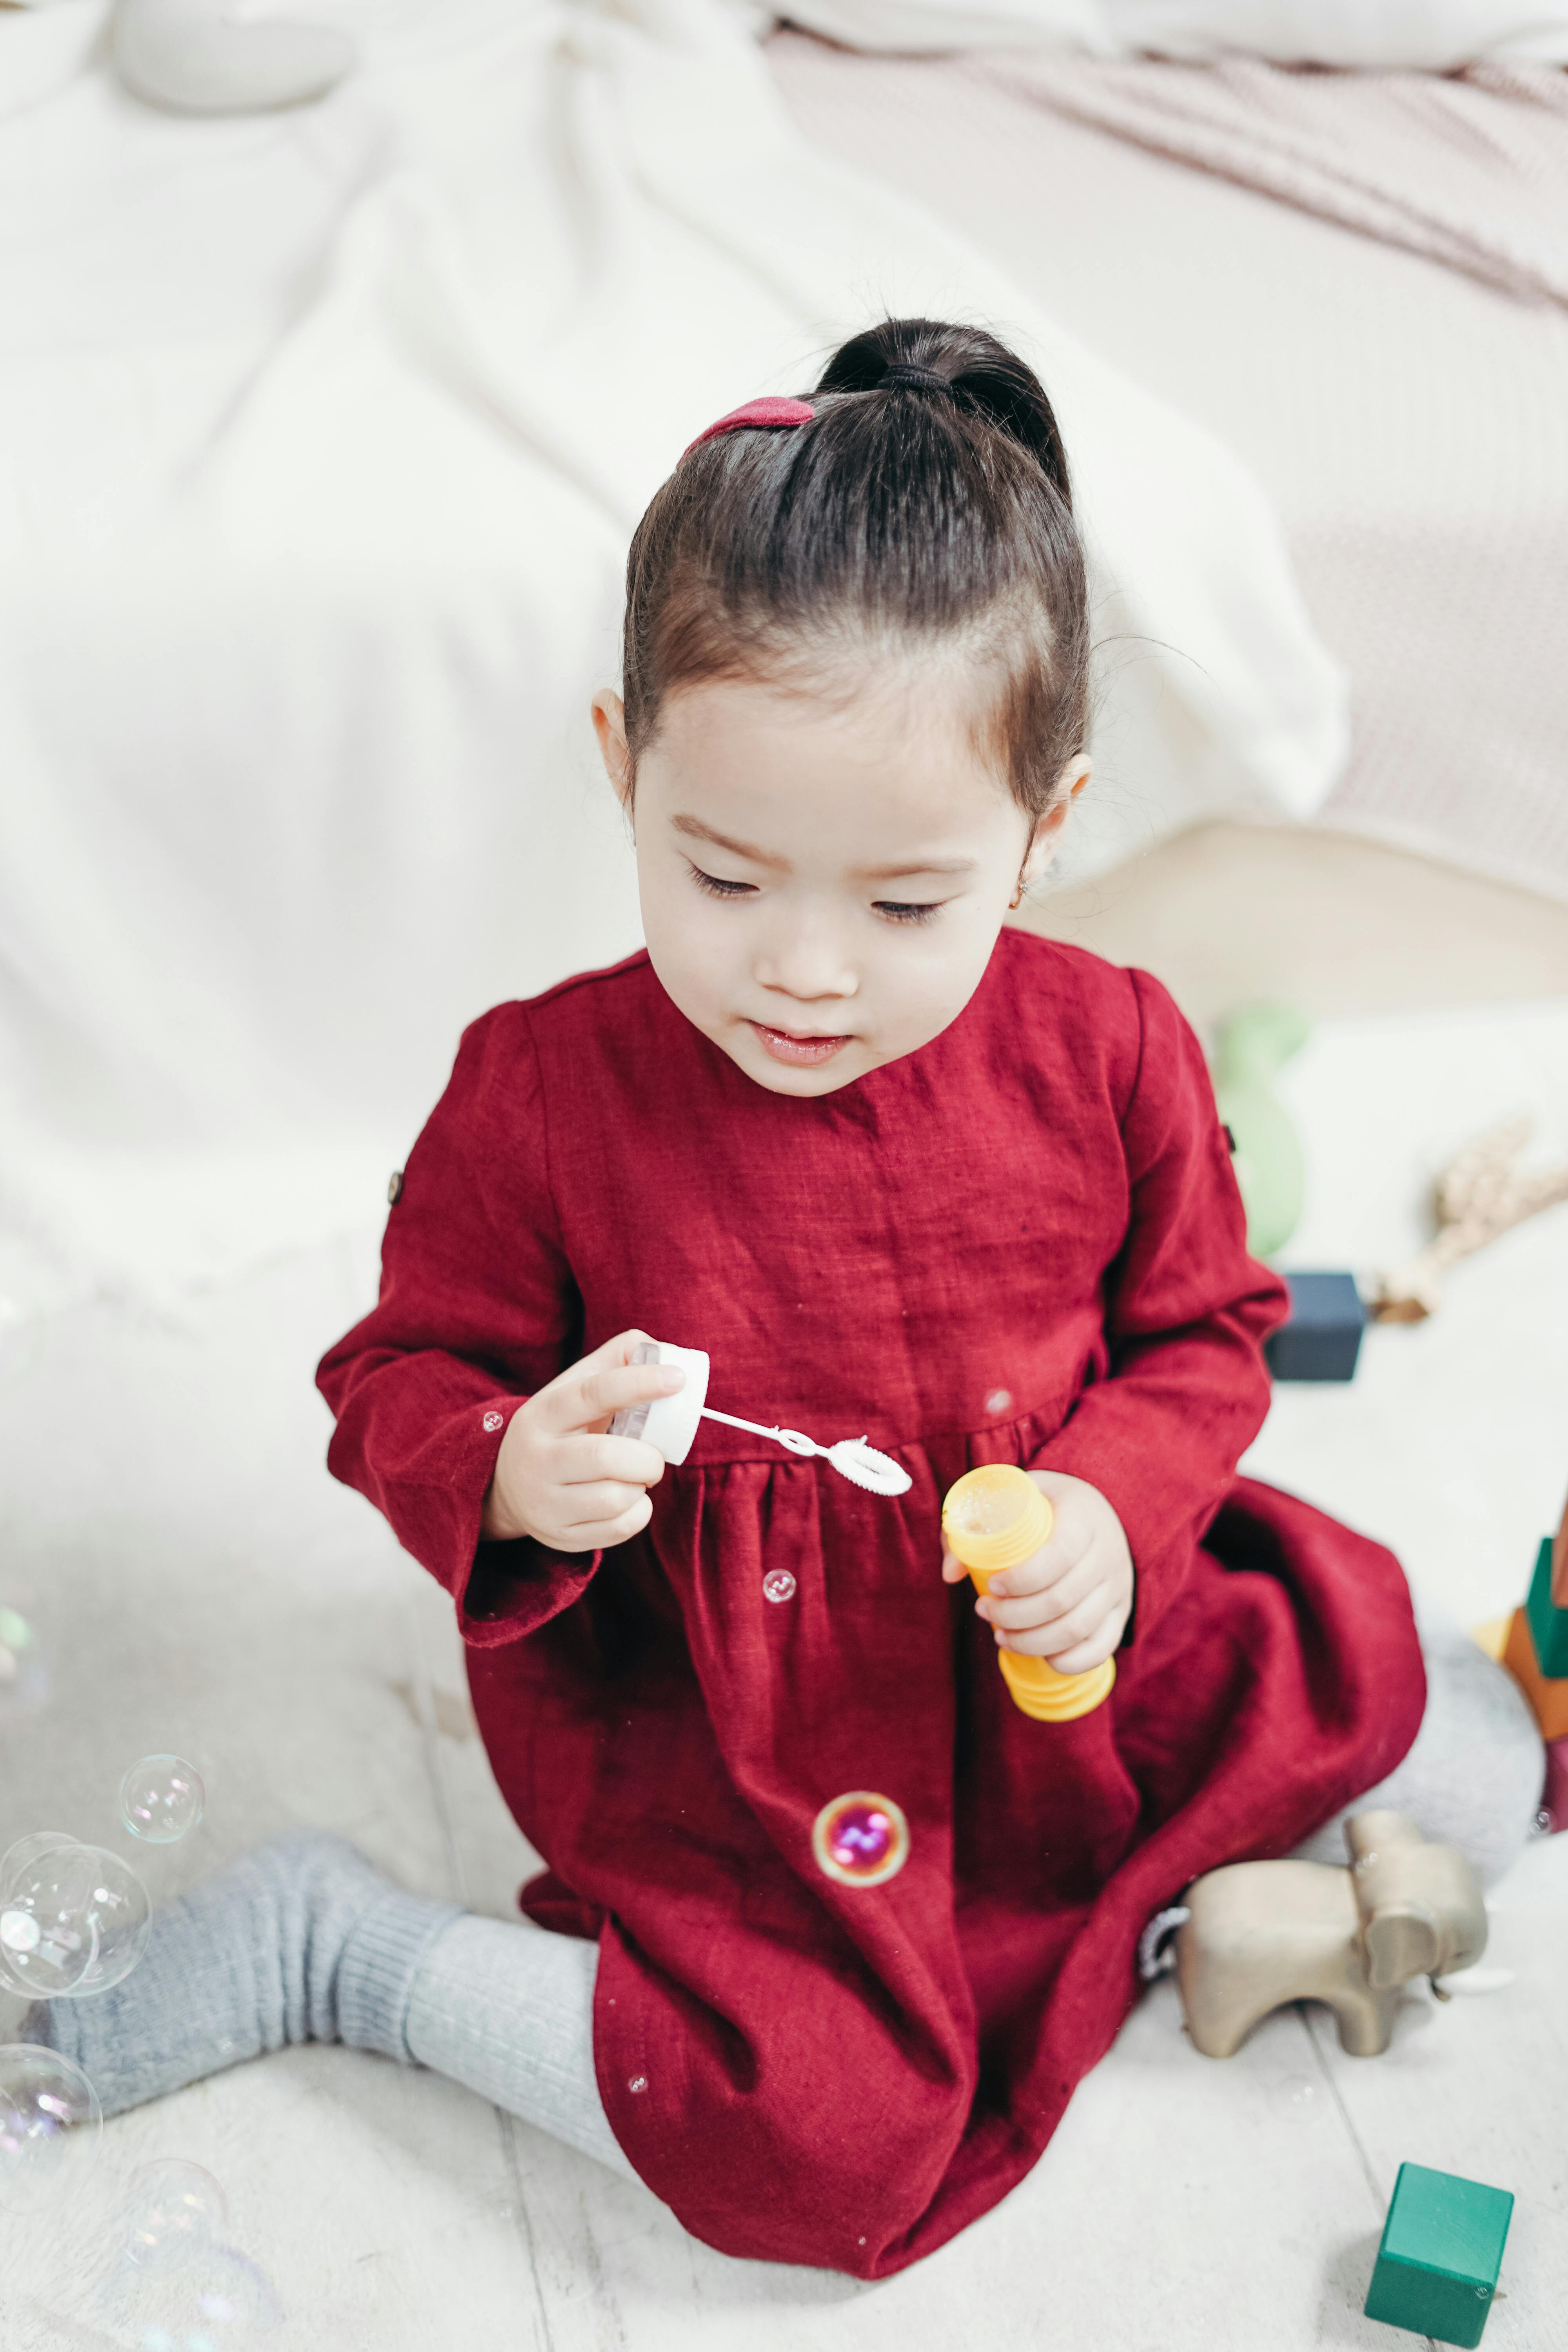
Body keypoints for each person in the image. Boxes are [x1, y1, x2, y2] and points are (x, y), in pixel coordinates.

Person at [31, 319, 1544, 2279]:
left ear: (1048, 828)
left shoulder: (1112, 1046)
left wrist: (1100, 1506)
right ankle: (351, 1950)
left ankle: (1138, 1902)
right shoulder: (544, 1089)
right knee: (814, 2154)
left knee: (1486, 1777)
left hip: (1056, 1660)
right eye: (723, 875)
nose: (806, 972)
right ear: (621, 766)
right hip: (739, 1719)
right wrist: (506, 1467)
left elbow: (1204, 1335)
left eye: (908, 902)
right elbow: (396, 1373)